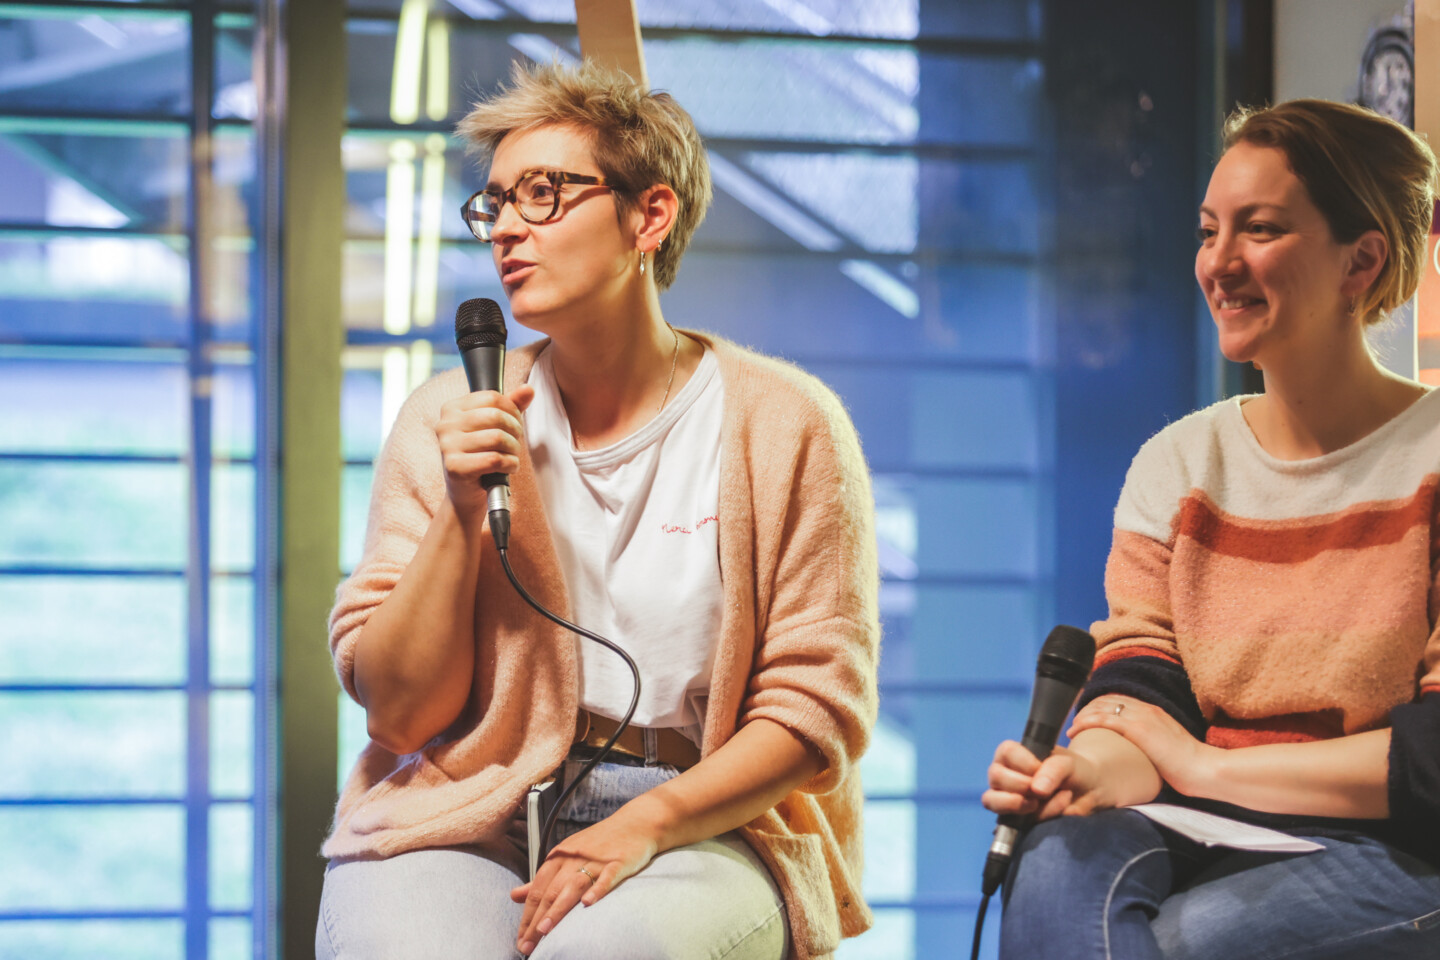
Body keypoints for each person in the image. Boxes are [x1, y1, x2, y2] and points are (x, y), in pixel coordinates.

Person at [314, 60, 879, 960]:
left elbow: (815, 715)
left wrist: (646, 822)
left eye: (544, 194)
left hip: (710, 820)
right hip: (472, 806)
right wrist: (463, 513)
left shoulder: (786, 424)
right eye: (494, 202)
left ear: (648, 216)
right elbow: (397, 716)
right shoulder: (446, 417)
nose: (506, 229)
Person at [984, 98, 1440, 959]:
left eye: (1259, 230)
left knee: (1192, 941)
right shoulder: (1178, 463)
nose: (1218, 264)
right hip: (1191, 820)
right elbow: (1142, 695)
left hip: (1391, 845)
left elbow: (1435, 763)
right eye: (1207, 231)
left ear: (1362, 260)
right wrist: (1085, 768)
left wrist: (1208, 770)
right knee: (1045, 875)